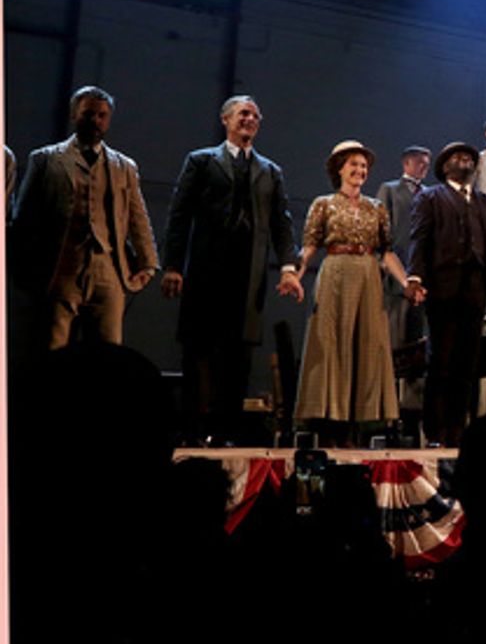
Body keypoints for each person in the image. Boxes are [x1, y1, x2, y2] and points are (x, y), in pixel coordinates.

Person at [162, 94, 301, 444]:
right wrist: (174, 265)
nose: (249, 119)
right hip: (207, 270)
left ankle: (227, 432)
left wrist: (288, 267)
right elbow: (180, 214)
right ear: (226, 119)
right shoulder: (201, 161)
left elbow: (282, 224)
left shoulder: (270, 171)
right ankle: (192, 430)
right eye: (243, 113)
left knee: (238, 355)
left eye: (255, 115)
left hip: (248, 273)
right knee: (198, 349)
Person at [12, 85, 159, 349]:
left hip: (108, 268)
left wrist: (148, 263)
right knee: (53, 348)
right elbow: (24, 218)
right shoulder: (45, 160)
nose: (95, 121)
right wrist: (23, 270)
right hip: (60, 267)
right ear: (74, 115)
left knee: (107, 352)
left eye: (102, 115)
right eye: (89, 114)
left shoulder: (123, 166)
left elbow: (138, 217)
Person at [292, 141, 407, 441]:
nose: (360, 170)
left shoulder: (377, 207)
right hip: (336, 271)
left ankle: (364, 420)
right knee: (331, 340)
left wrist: (407, 284)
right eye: (354, 164)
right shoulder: (323, 204)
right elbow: (309, 247)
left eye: (364, 166)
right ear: (339, 168)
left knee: (369, 341)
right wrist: (295, 274)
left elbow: (387, 253)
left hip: (368, 272)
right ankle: (331, 419)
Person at [405, 141, 486, 445]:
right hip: (442, 286)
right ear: (444, 166)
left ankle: (457, 428)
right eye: (457, 157)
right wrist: (415, 276)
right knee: (442, 359)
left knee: (467, 361)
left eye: (469, 158)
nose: (464, 161)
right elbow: (419, 238)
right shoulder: (430, 198)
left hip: (475, 288)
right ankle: (435, 429)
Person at [376, 146, 431, 435]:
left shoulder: (431, 194)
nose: (423, 167)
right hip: (396, 282)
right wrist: (398, 277)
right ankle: (389, 415)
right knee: (396, 348)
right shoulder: (390, 189)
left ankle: (413, 414)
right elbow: (382, 235)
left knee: (419, 350)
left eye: (426, 163)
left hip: (423, 282)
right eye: (418, 162)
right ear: (406, 162)